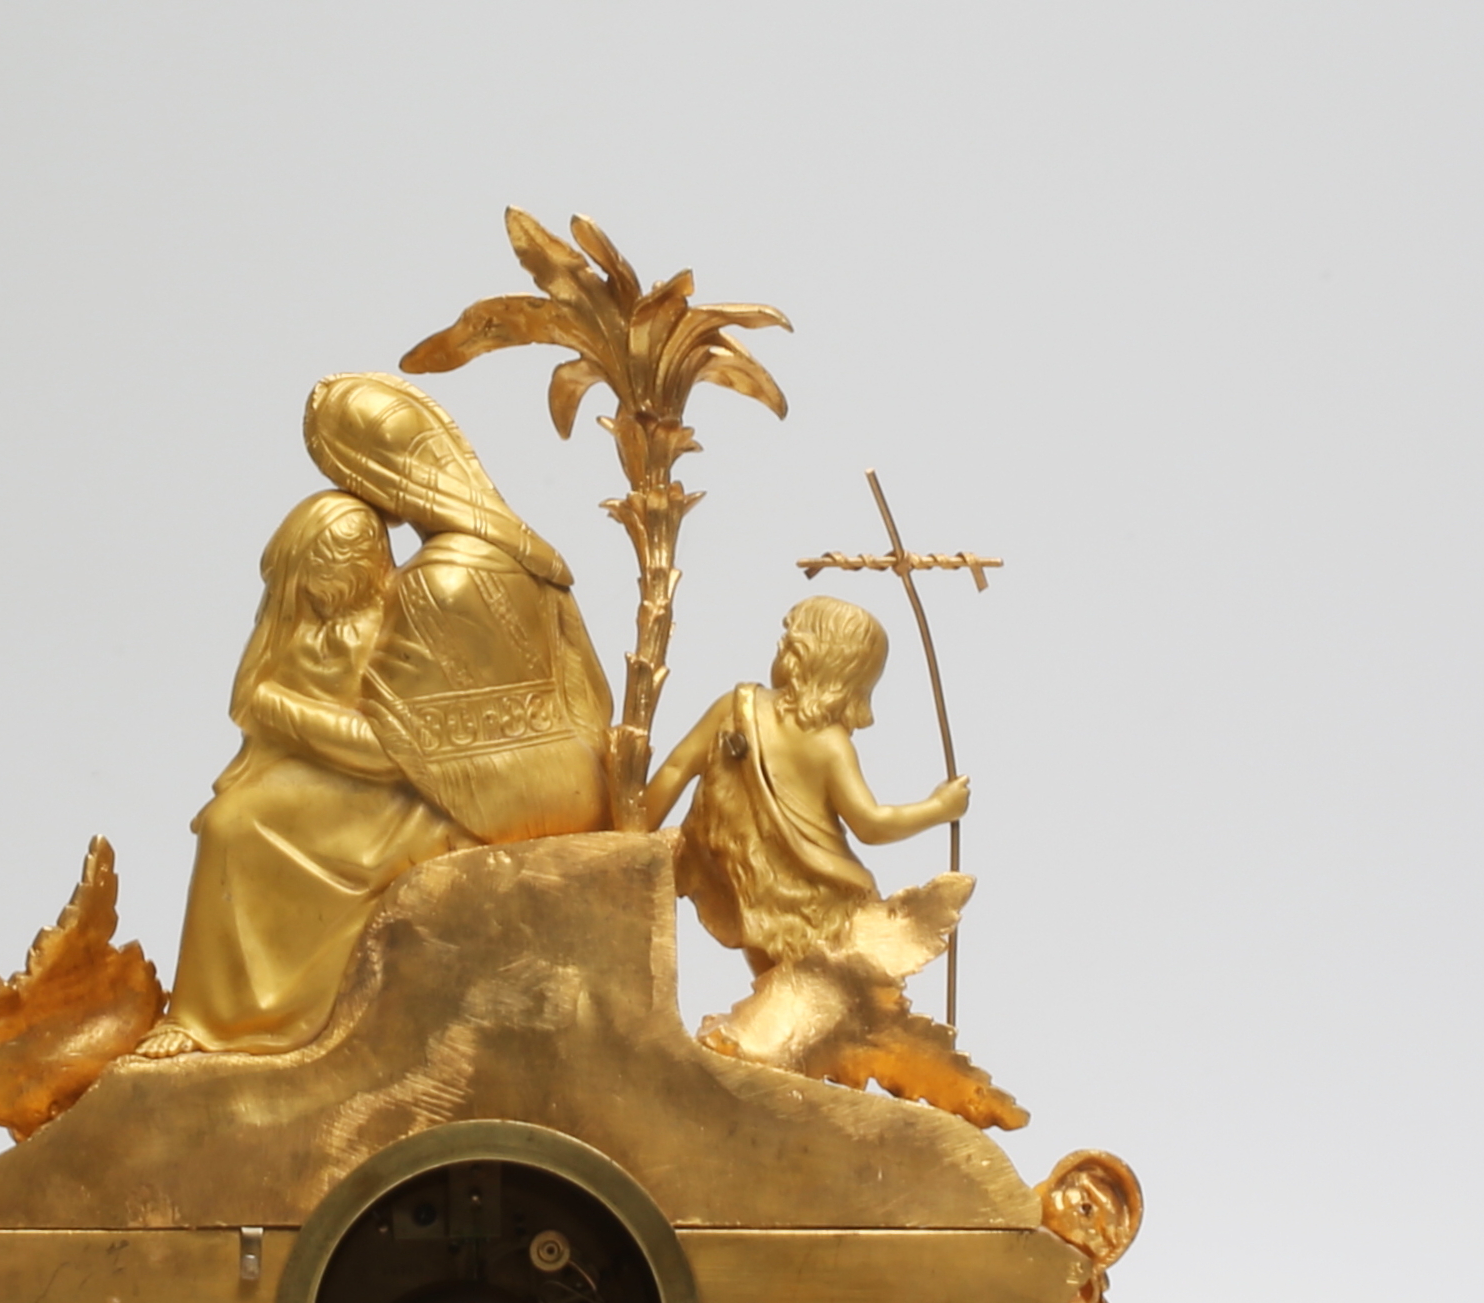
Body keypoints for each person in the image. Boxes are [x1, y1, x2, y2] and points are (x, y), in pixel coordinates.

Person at [142, 375, 612, 1056]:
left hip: (474, 805)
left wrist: (273, 709)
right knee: (244, 814)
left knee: (236, 826)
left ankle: (233, 1026)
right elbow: (590, 700)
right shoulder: (520, 555)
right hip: (529, 780)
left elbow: (391, 755)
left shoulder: (441, 579)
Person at [644, 595, 968, 969]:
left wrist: (633, 830)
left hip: (746, 881)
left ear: (799, 656)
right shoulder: (830, 745)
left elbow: (676, 768)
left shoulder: (734, 707)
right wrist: (939, 808)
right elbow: (871, 824)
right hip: (816, 899)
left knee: (776, 980)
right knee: (806, 984)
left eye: (785, 644)